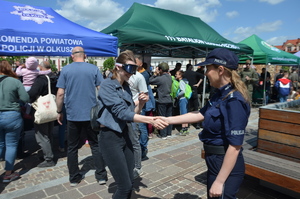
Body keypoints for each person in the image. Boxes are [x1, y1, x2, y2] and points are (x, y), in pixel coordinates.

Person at [158, 48, 251, 199]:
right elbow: (200, 114)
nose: (206, 73)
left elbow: (235, 146)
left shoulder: (234, 100)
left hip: (224, 162)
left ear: (220, 70)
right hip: (214, 160)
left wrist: (220, 181)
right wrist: (168, 120)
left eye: (208, 69)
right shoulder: (220, 94)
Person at [97, 50, 167, 199]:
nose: (132, 73)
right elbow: (121, 113)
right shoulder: (107, 85)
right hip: (110, 137)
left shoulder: (126, 86)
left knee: (130, 181)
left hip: (125, 134)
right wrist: (151, 120)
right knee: (124, 186)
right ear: (118, 67)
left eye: (134, 69)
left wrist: (141, 103)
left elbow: (131, 113)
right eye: (129, 68)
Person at [56, 46, 107, 187]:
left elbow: (60, 94)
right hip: (91, 114)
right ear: (85, 56)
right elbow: (101, 90)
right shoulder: (93, 69)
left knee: (72, 147)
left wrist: (59, 111)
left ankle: (74, 177)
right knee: (95, 145)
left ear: (72, 56)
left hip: (73, 114)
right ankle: (101, 175)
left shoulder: (66, 70)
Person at [0, 60, 29, 182]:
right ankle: (8, 173)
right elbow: (25, 98)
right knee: (11, 144)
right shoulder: (14, 82)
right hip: (11, 115)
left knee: (0, 143)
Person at [27, 61, 58, 167]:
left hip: (42, 110)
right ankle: (48, 153)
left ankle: (49, 159)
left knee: (41, 135)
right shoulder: (54, 77)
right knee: (49, 133)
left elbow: (32, 93)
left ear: (41, 67)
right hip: (52, 109)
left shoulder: (42, 79)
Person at [127, 53, 149, 179]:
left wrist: (138, 103)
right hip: (122, 113)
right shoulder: (119, 76)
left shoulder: (139, 77)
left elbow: (145, 96)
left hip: (135, 111)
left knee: (135, 139)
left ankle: (137, 166)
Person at [149, 62, 173, 139]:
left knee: (162, 117)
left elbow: (150, 80)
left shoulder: (160, 78)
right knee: (169, 117)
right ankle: (169, 133)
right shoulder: (169, 77)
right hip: (169, 99)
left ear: (161, 69)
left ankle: (163, 134)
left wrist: (155, 73)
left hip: (162, 100)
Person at [183, 63, 204, 129]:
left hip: (187, 92)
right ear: (191, 68)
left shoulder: (184, 74)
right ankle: (197, 124)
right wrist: (198, 84)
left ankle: (188, 123)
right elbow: (203, 76)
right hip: (194, 90)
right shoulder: (194, 73)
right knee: (196, 107)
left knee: (188, 108)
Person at [175, 70, 189, 136]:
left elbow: (183, 91)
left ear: (180, 75)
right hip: (185, 98)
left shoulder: (181, 82)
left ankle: (183, 129)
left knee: (183, 114)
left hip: (182, 99)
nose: (176, 75)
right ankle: (185, 128)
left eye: (177, 74)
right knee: (185, 113)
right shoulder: (186, 81)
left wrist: (177, 95)